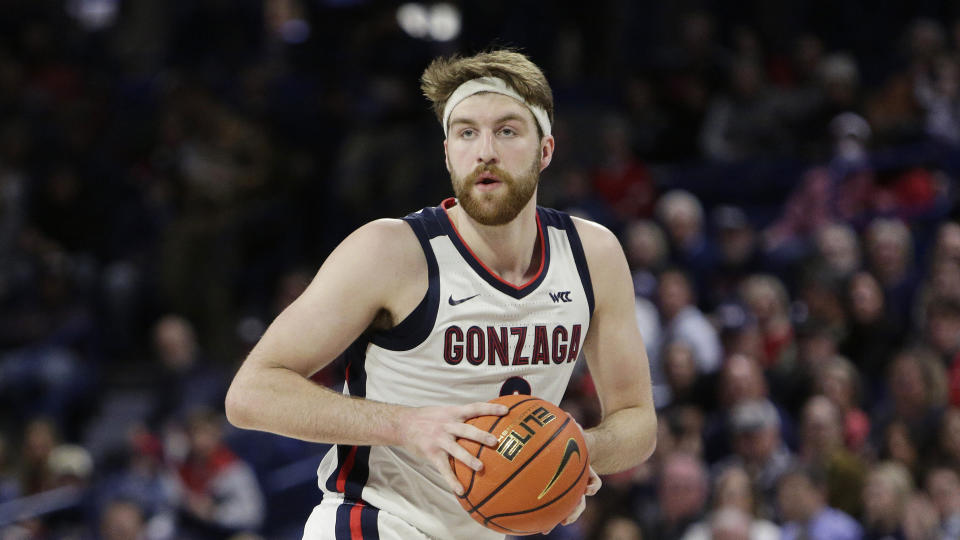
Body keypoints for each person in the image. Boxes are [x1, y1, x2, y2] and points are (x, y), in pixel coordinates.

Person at [224, 49, 657, 539]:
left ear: (546, 150)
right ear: (448, 152)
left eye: (508, 131)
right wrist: (407, 425)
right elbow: (251, 393)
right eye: (467, 132)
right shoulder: (390, 252)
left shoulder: (592, 254)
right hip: (378, 520)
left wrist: (571, 451)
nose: (485, 150)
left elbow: (637, 420)